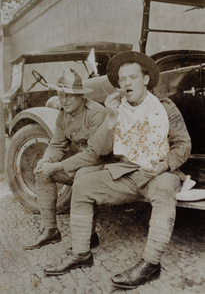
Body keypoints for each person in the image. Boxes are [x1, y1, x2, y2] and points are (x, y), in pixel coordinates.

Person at [44, 52, 191, 290]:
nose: (127, 83)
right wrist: (111, 117)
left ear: (145, 80)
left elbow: (183, 145)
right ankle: (82, 253)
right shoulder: (116, 109)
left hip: (158, 172)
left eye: (133, 77)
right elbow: (99, 149)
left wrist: (164, 165)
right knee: (83, 185)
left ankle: (151, 264)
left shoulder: (165, 107)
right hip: (126, 173)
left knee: (165, 189)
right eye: (122, 80)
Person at [24, 67, 107, 250]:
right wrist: (47, 160)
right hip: (80, 163)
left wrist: (58, 166)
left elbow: (94, 155)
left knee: (82, 177)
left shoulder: (96, 113)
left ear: (80, 95)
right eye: (61, 95)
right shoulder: (63, 113)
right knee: (42, 172)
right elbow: (57, 145)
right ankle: (50, 230)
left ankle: (89, 236)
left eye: (69, 95)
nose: (64, 100)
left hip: (104, 166)